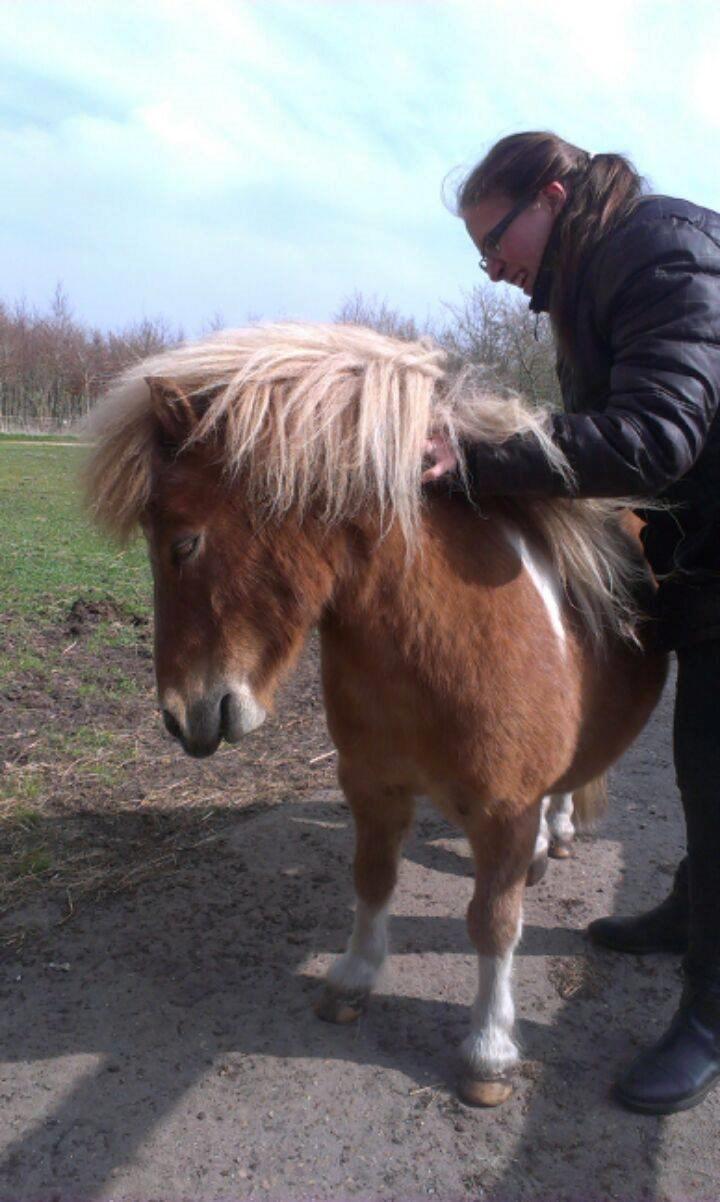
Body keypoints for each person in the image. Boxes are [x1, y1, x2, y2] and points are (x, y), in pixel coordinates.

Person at [422, 131, 720, 1115]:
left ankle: (711, 1017)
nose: (494, 270)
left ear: (551, 195)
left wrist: (476, 455)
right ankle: (692, 909)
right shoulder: (601, 271)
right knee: (698, 762)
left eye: (496, 242)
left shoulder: (659, 251)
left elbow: (653, 436)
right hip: (703, 549)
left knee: (718, 765)